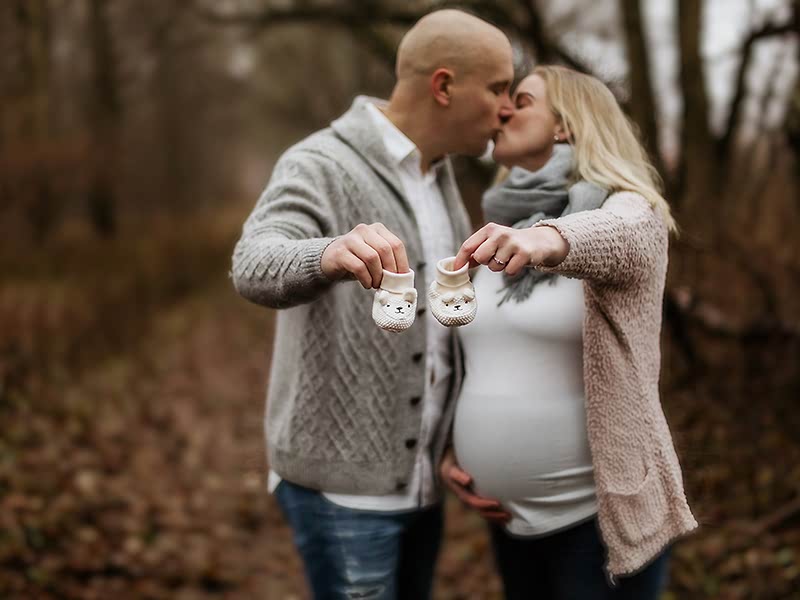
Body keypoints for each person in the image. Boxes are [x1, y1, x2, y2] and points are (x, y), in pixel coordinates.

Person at [230, 9, 514, 600]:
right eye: (497, 88)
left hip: (420, 487)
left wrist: (462, 435)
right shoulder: (320, 163)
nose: (507, 107)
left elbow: (442, 328)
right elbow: (253, 263)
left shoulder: (442, 179)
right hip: (344, 497)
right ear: (443, 86)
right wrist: (329, 253)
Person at [440, 65, 698, 599]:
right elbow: (481, 357)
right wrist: (453, 445)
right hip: (509, 521)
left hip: (598, 520)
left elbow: (622, 238)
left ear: (565, 126)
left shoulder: (629, 207)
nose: (504, 110)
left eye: (524, 100)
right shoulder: (494, 226)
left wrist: (549, 239)